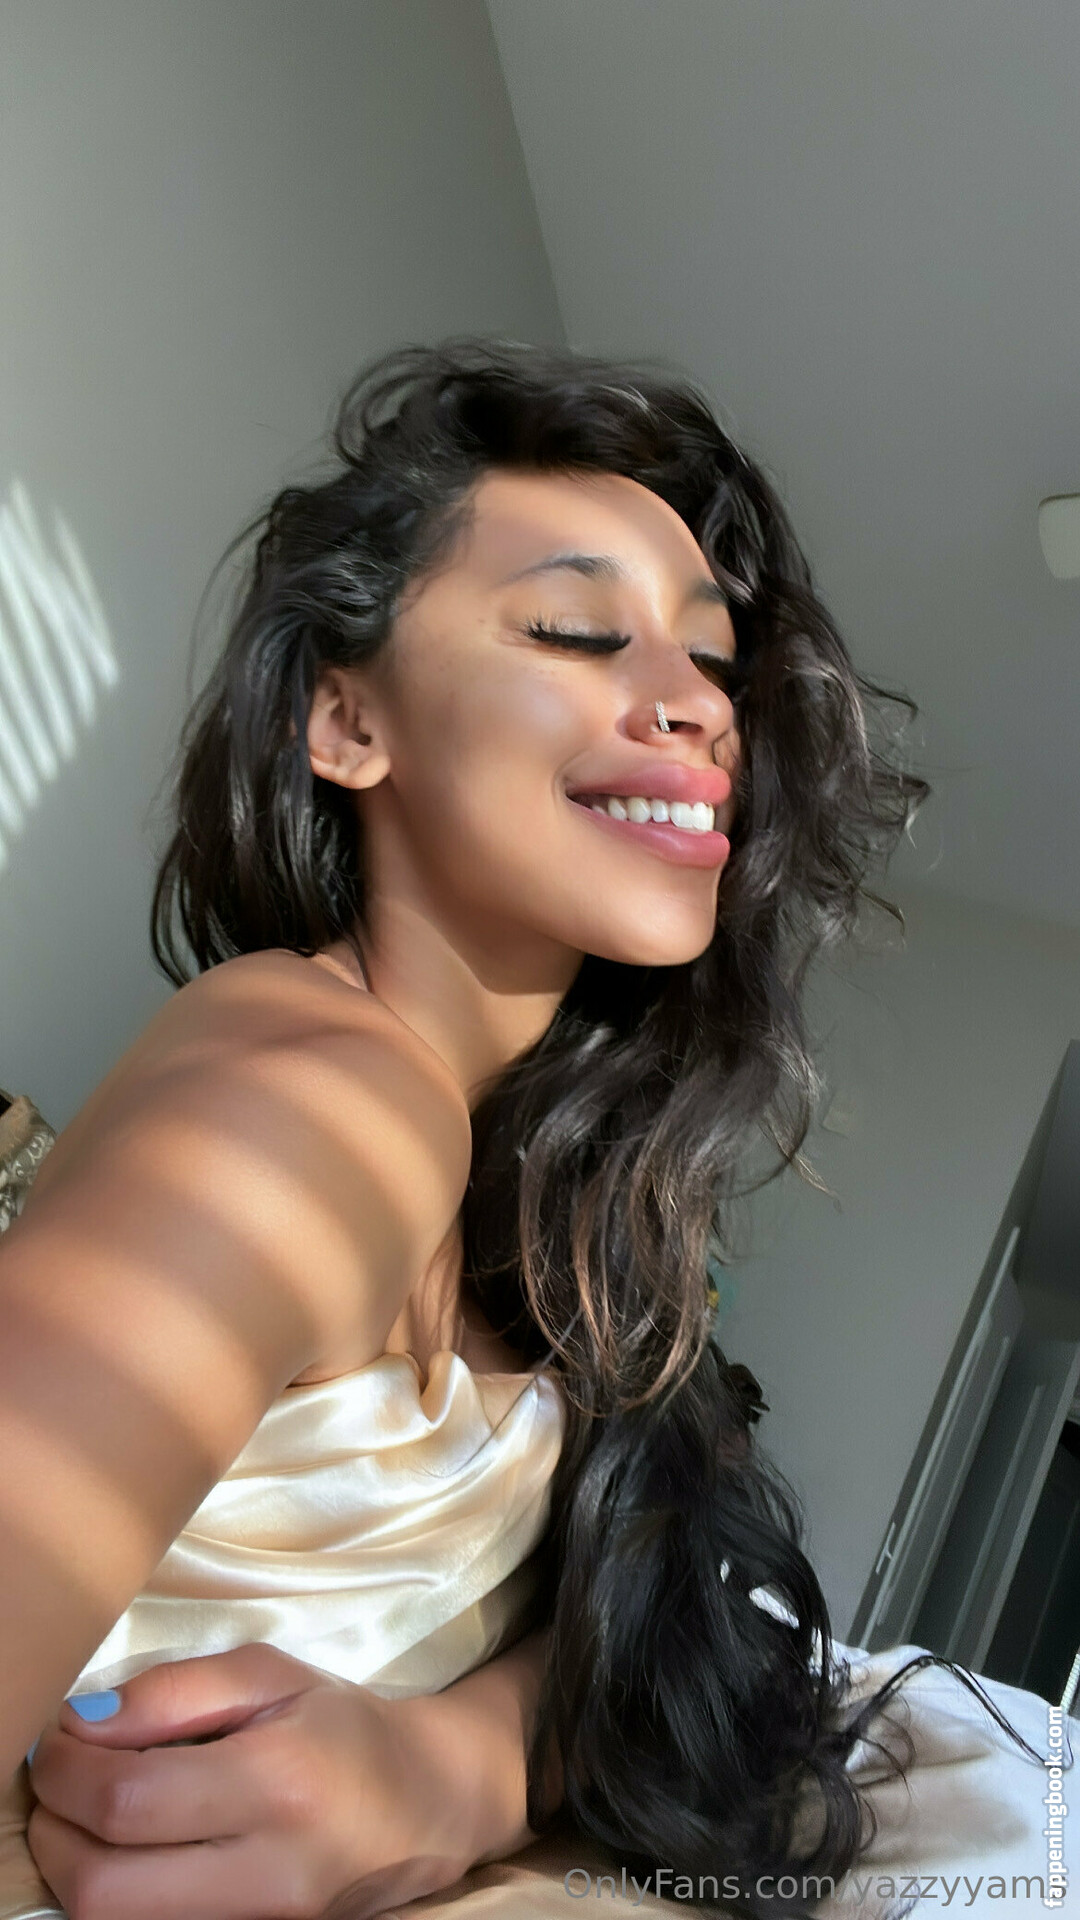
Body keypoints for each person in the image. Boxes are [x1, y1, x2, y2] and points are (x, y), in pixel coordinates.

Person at [0, 338, 1071, 1920]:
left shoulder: (538, 1195)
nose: (697, 710)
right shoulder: (312, 1093)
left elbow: (654, 1637)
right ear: (345, 721)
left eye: (715, 665)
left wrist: (459, 1766)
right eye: (576, 630)